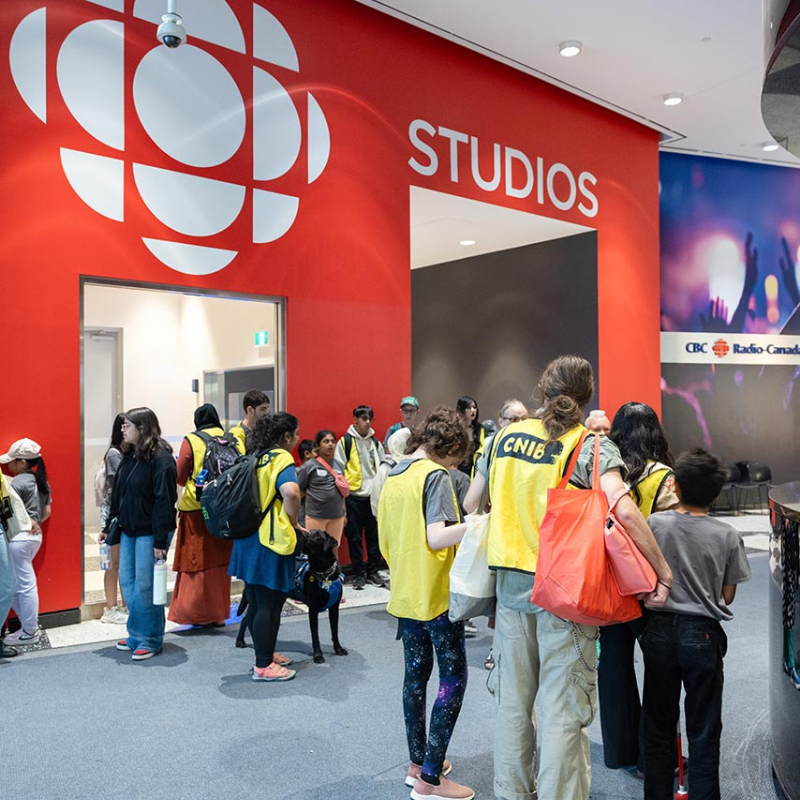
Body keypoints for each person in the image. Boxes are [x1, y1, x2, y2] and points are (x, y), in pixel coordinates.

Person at [463, 355, 673, 800]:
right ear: (586, 397)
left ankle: (513, 793)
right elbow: (622, 505)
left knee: (512, 707)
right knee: (564, 710)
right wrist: (662, 570)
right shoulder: (591, 447)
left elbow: (472, 503)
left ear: (543, 389)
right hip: (567, 594)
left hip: (510, 593)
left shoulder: (503, 438)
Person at [641, 448, 752, 800]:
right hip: (702, 635)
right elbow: (728, 596)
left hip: (657, 630)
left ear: (675, 484)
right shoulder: (727, 535)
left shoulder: (655, 524)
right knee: (704, 727)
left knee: (657, 723)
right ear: (717, 491)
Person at [378, 406, 474, 800]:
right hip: (436, 595)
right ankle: (431, 780)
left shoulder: (395, 474)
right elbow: (438, 537)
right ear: (449, 447)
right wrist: (479, 527)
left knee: (415, 678)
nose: (456, 464)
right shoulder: (435, 477)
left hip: (404, 592)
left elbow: (387, 540)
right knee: (453, 679)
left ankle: (418, 762)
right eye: (457, 456)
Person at [599, 402, 680, 775]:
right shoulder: (662, 477)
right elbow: (673, 535)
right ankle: (654, 757)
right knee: (661, 671)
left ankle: (618, 751)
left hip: (609, 582)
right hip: (649, 586)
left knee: (613, 666)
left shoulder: (604, 470)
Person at [228, 412, 303, 681]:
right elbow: (291, 492)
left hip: (247, 537)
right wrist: (293, 521)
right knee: (268, 606)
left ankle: (266, 653)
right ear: (285, 436)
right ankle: (263, 665)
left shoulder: (256, 454)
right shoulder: (282, 458)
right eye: (295, 435)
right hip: (270, 540)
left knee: (258, 601)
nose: (297, 440)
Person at [106, 408, 178, 661]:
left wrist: (160, 540)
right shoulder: (131, 456)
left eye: (128, 425)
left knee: (145, 586)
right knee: (128, 582)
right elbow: (119, 494)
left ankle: (149, 638)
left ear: (143, 428)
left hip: (151, 531)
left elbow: (164, 501)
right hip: (129, 528)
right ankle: (136, 634)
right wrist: (109, 525)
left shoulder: (161, 459)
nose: (123, 429)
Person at [471, 398, 529, 660]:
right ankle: (498, 651)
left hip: (528, 536)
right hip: (501, 535)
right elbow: (473, 501)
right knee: (501, 600)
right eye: (513, 419)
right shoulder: (491, 446)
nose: (519, 424)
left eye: (523, 419)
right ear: (500, 421)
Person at [168, 404, 234, 627]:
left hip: (197, 508)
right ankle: (218, 614)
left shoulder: (192, 440)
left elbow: (179, 476)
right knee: (220, 562)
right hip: (224, 508)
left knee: (195, 560)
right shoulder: (231, 438)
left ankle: (195, 614)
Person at [0, 438, 52, 645]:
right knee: (21, 583)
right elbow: (47, 511)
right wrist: (34, 522)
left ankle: (30, 630)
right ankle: (29, 626)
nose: (9, 465)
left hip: (17, 538)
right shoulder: (42, 481)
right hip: (34, 539)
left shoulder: (16, 482)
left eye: (12, 461)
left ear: (22, 463)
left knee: (17, 585)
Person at [336, 405, 386, 590]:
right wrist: (342, 501)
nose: (366, 422)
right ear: (355, 420)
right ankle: (358, 573)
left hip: (372, 497)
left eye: (369, 419)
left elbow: (381, 469)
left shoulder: (376, 443)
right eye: (363, 418)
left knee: (374, 536)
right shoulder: (345, 442)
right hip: (354, 497)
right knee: (355, 537)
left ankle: (373, 570)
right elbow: (339, 471)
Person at [298, 430, 347, 557]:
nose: (330, 445)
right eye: (326, 441)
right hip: (315, 515)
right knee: (315, 549)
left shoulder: (339, 465)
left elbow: (342, 493)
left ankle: (334, 576)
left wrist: (344, 513)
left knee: (334, 547)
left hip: (337, 515)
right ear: (318, 446)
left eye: (332, 441)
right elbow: (300, 489)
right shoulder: (309, 466)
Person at [99, 413, 128, 624]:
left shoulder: (127, 453)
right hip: (113, 515)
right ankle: (110, 608)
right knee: (113, 563)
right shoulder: (114, 454)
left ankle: (126, 606)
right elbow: (119, 486)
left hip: (122, 514)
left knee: (122, 563)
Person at [227, 389, 270, 454]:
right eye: (263, 409)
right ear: (250, 410)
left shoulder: (264, 430)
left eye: (267, 408)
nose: (267, 413)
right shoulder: (237, 433)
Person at [455, 396, 484, 477]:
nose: (472, 410)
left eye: (474, 407)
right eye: (468, 408)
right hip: (457, 468)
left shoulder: (480, 429)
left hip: (475, 469)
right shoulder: (455, 428)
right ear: (461, 410)